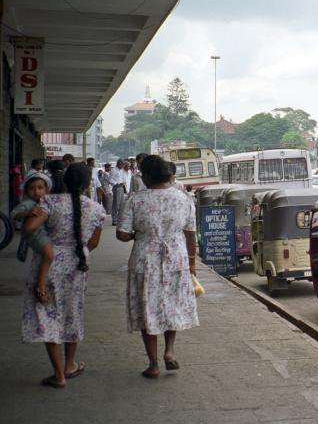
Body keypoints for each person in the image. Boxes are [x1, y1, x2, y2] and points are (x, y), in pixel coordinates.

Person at [22, 164, 105, 388]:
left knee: (47, 315)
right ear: (88, 185)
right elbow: (93, 243)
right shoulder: (97, 210)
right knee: (72, 313)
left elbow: (29, 227)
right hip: (78, 265)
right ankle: (70, 364)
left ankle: (58, 375)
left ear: (64, 182)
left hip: (49, 265)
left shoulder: (50, 202)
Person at [116, 155, 199, 379]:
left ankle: (153, 364)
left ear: (148, 176)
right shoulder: (184, 199)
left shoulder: (135, 199)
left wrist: (137, 235)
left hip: (145, 259)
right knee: (172, 304)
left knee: (147, 308)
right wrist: (192, 262)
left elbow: (121, 234)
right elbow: (191, 234)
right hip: (176, 258)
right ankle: (170, 351)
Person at [11, 173, 55, 297]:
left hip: (45, 233)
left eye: (40, 188)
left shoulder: (47, 201)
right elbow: (14, 214)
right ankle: (40, 285)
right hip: (36, 234)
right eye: (32, 188)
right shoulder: (27, 203)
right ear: (26, 191)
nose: (36, 191)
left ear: (47, 190)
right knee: (49, 254)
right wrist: (27, 213)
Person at [109, 159, 127, 225]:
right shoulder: (113, 170)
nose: (122, 166)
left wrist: (123, 182)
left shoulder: (122, 171)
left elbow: (124, 179)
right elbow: (110, 179)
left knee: (122, 204)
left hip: (122, 187)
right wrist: (116, 183)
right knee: (116, 204)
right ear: (118, 164)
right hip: (117, 187)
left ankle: (119, 219)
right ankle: (114, 220)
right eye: (121, 164)